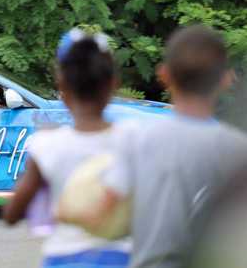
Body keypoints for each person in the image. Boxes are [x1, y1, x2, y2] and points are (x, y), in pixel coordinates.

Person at [85, 25, 247, 268]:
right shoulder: (238, 150)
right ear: (225, 79)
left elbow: (103, 218)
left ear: (163, 75)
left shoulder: (135, 140)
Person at [2, 28, 131, 268]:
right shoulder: (134, 141)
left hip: (63, 259)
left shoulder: (47, 145)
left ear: (62, 85)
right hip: (120, 259)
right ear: (113, 83)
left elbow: (11, 214)